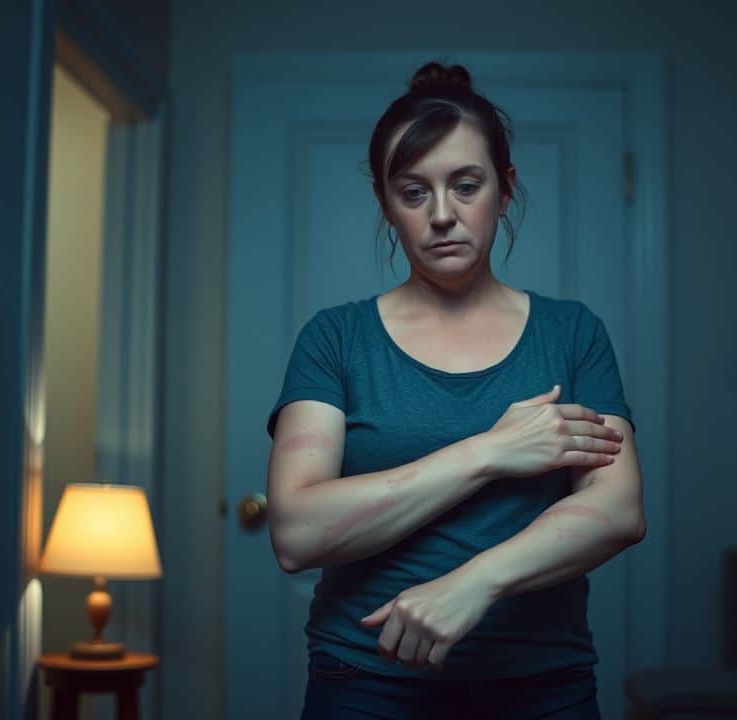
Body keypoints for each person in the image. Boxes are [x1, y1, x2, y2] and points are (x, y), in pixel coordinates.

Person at [265, 61, 646, 720]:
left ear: (504, 189)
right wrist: (489, 452)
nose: (442, 215)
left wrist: (473, 584)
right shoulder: (335, 340)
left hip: (543, 685)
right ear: (386, 203)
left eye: (466, 185)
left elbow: (616, 513)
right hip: (364, 683)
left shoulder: (572, 334)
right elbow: (297, 532)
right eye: (414, 192)